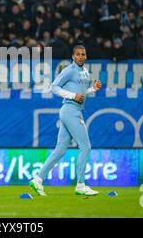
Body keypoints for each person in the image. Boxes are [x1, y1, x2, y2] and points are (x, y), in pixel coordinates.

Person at [29, 45, 102, 196]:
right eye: (78, 54)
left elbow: (81, 93)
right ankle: (80, 185)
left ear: (86, 56)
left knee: (60, 150)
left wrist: (93, 89)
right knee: (86, 146)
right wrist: (72, 96)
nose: (81, 57)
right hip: (70, 111)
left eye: (83, 54)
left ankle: (37, 179)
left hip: (73, 111)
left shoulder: (85, 72)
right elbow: (54, 87)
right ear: (73, 56)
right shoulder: (69, 70)